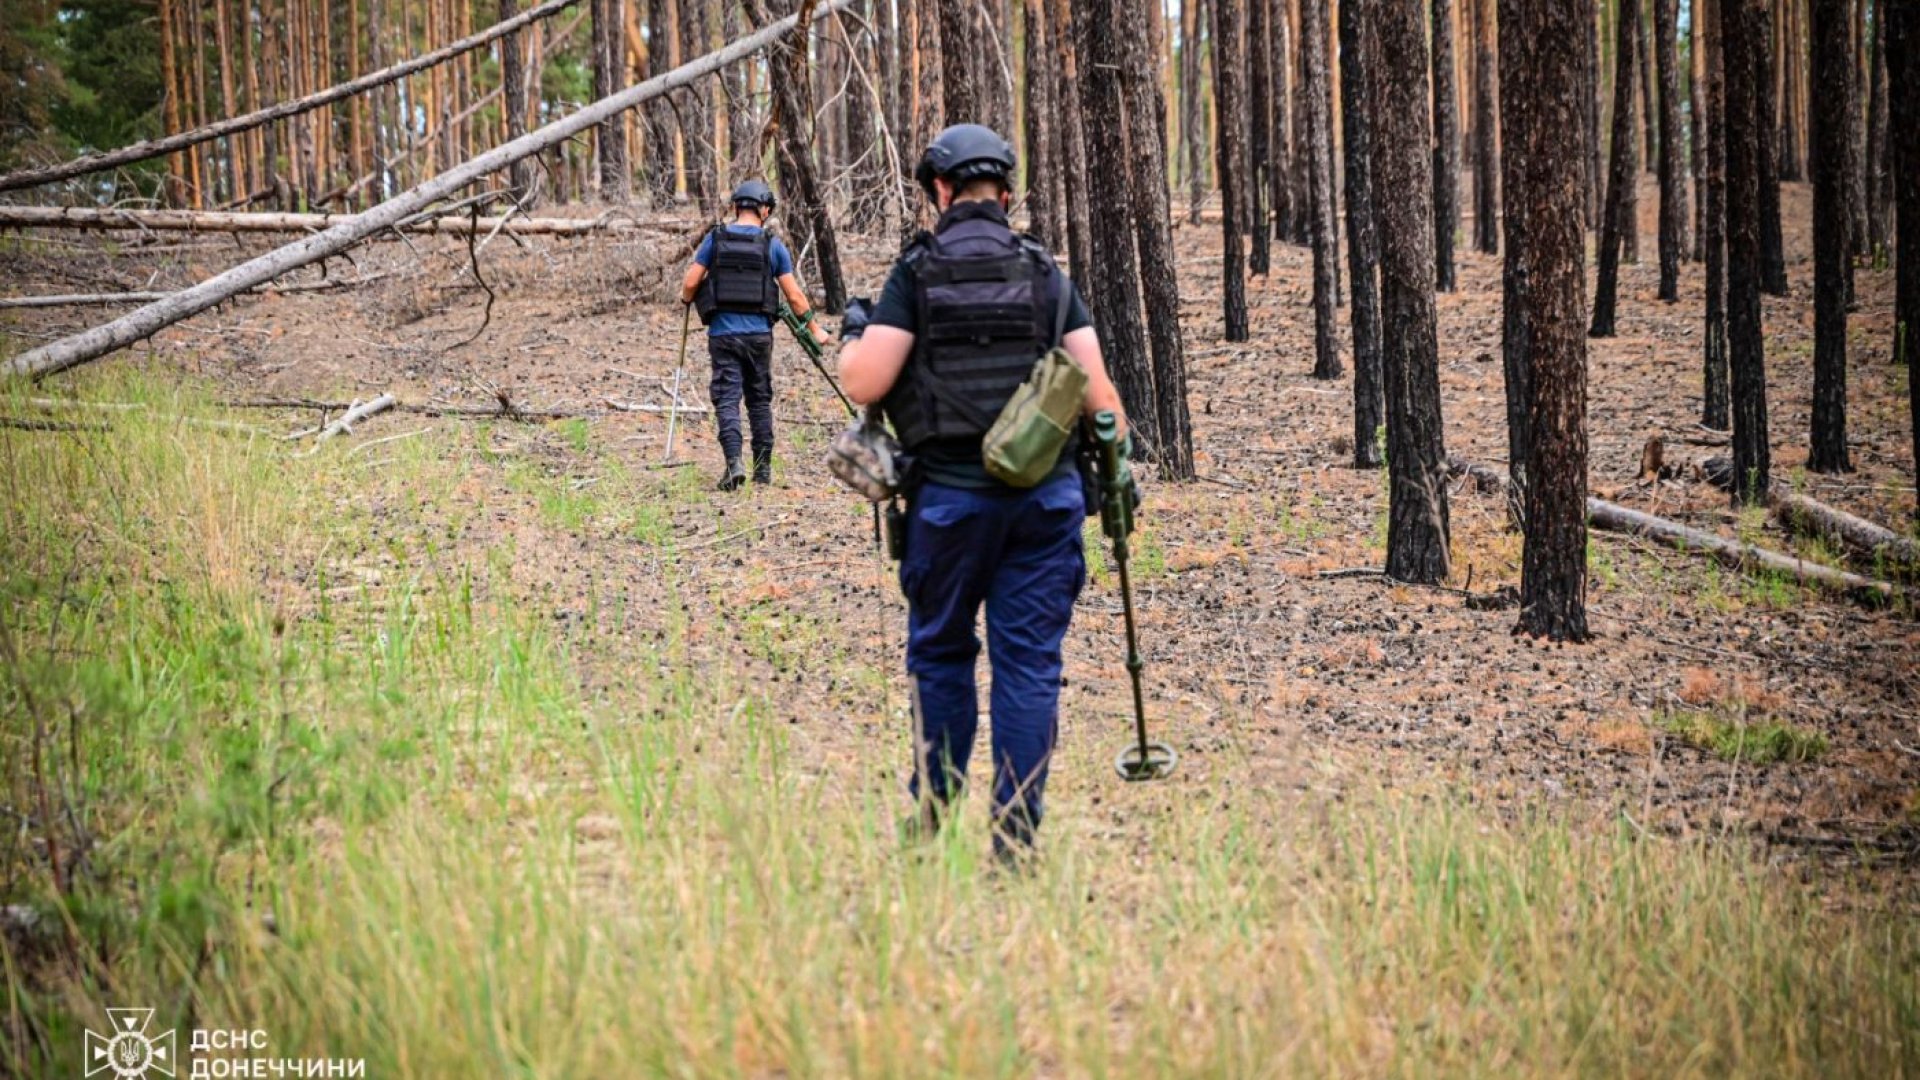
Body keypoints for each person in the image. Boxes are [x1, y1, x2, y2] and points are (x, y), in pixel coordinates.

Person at [836, 124, 1135, 861]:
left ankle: (932, 819)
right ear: (1006, 193)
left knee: (940, 655)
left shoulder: (918, 271)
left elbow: (864, 381)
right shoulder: (1043, 273)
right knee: (1029, 665)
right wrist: (1117, 477)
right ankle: (1015, 841)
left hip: (947, 505)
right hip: (1045, 503)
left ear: (939, 190)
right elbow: (1103, 404)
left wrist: (856, 335)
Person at [680, 179, 830, 490]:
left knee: (727, 399)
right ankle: (762, 472)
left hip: (723, 335)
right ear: (764, 210)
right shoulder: (772, 245)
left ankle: (734, 463)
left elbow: (691, 282)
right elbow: (795, 297)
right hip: (759, 337)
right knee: (759, 400)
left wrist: (686, 299)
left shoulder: (715, 239)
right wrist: (815, 329)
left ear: (736, 207)